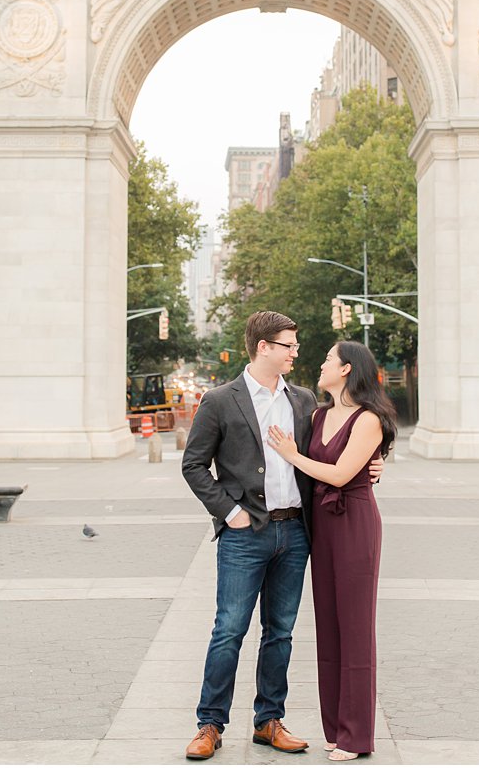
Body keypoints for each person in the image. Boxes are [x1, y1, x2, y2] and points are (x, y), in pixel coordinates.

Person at [180, 312, 383, 761]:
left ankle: (269, 720)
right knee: (229, 629)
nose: (296, 352)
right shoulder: (219, 400)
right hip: (244, 533)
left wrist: (374, 467)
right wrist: (229, 512)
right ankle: (209, 724)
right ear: (263, 347)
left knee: (281, 632)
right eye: (288, 345)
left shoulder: (305, 401)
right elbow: (193, 465)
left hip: (295, 532)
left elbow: (335, 451)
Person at [266, 341, 395, 762]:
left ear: (345, 369)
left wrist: (291, 455)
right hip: (321, 526)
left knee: (356, 630)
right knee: (330, 630)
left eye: (326, 359)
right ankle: (336, 728)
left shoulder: (369, 418)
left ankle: (357, 737)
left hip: (355, 524)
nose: (319, 365)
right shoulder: (317, 414)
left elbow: (341, 473)